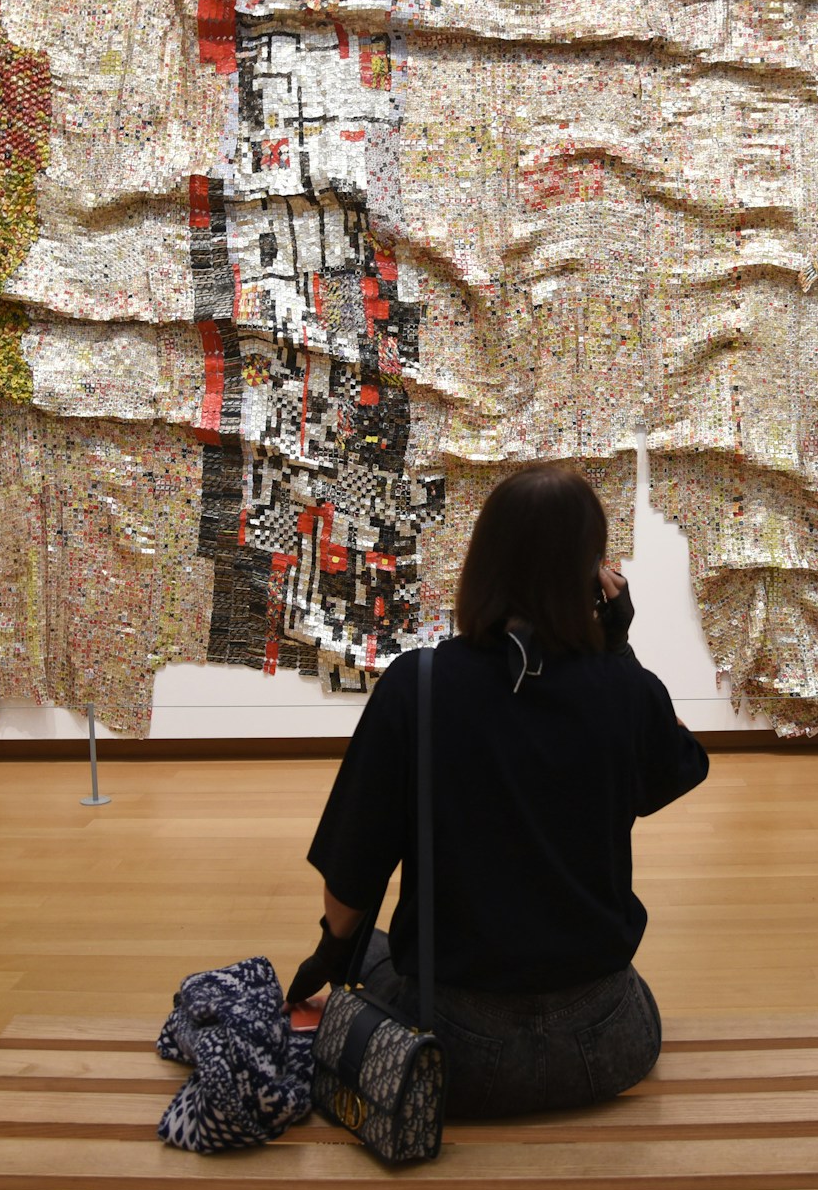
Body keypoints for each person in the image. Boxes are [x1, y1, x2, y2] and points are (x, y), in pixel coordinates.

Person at [285, 464, 710, 1118]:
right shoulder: (625, 690)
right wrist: (616, 647)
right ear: (592, 577)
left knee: (373, 950)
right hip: (609, 1040)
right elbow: (675, 767)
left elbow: (350, 883)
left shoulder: (418, 686)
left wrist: (331, 957)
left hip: (454, 1048)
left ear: (482, 564)